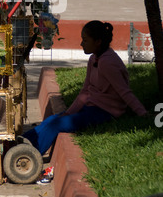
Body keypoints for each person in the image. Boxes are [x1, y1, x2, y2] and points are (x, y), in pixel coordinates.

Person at [19, 20, 148, 155]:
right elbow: (85, 90)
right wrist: (69, 112)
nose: (81, 44)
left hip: (104, 113)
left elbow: (124, 91)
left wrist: (142, 113)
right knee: (52, 120)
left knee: (56, 125)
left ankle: (29, 154)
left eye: (85, 40)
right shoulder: (94, 59)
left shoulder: (108, 62)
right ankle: (22, 142)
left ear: (98, 42)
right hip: (91, 107)